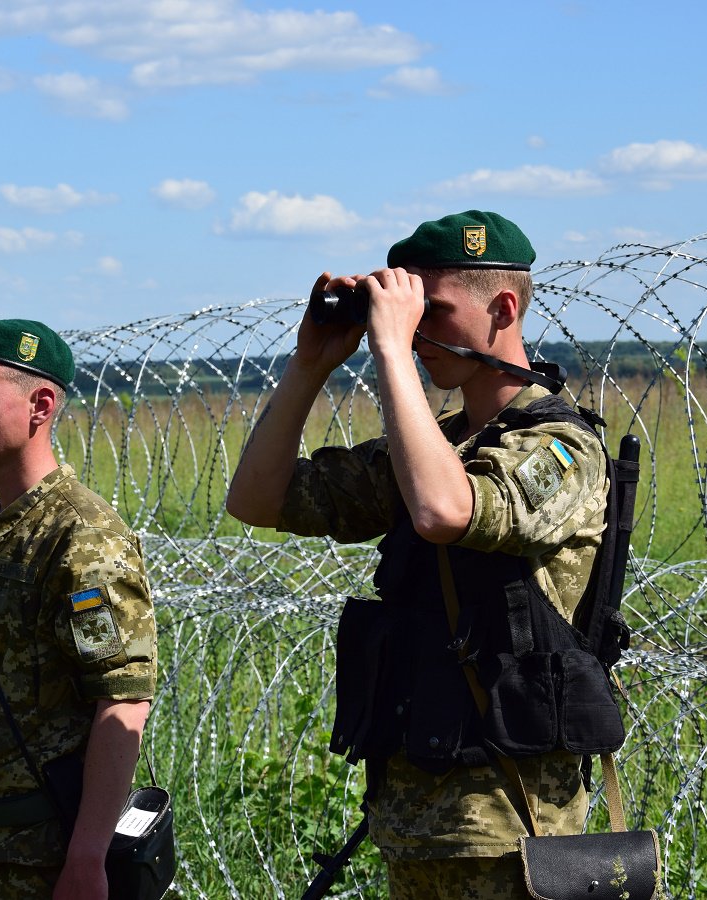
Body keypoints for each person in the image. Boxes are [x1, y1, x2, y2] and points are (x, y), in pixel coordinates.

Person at [226, 211, 611, 898]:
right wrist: (310, 364)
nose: (415, 330)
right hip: (415, 817)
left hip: (513, 829)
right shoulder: (434, 445)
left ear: (503, 308)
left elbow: (445, 510)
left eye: (431, 311)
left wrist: (391, 354)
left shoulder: (562, 446)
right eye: (406, 314)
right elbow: (258, 500)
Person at [0, 317, 157, 900]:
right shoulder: (12, 520)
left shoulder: (81, 538)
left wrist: (86, 862)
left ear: (40, 405)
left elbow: (121, 701)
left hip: (41, 857)